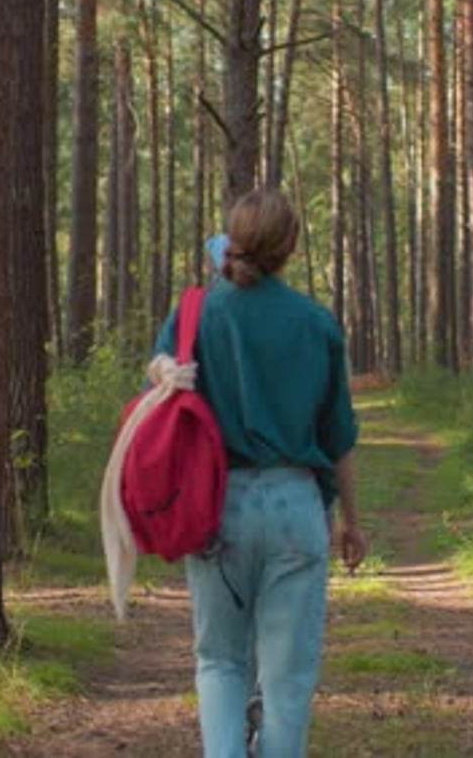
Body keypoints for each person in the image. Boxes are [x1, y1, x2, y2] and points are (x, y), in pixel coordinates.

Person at [153, 188, 367, 758]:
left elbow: (159, 371)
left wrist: (167, 370)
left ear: (235, 237)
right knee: (287, 681)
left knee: (220, 660)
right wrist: (352, 521)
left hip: (217, 506)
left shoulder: (199, 310)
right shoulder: (316, 323)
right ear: (289, 246)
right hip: (297, 508)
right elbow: (338, 436)